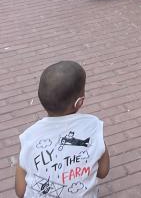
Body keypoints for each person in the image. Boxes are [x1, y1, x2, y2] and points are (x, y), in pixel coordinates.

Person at [16, 61, 109, 197]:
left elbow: (20, 191)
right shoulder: (93, 125)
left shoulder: (29, 137)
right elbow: (103, 172)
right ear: (79, 102)